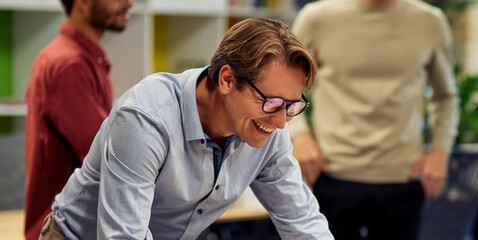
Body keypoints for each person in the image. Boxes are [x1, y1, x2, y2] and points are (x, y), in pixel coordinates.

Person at [37, 18, 332, 240]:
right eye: (272, 102)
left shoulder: (269, 126)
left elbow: (302, 221)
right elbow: (124, 236)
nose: (281, 122)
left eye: (293, 106)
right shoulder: (146, 119)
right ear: (227, 80)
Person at [289, 0, 459, 238]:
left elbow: (445, 95)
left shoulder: (430, 21)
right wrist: (299, 134)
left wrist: (440, 150)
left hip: (403, 177)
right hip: (331, 175)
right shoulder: (316, 18)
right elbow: (283, 88)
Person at [24, 0, 133, 238]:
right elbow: (109, 159)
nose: (129, 2)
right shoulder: (69, 66)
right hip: (66, 230)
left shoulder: (78, 58)